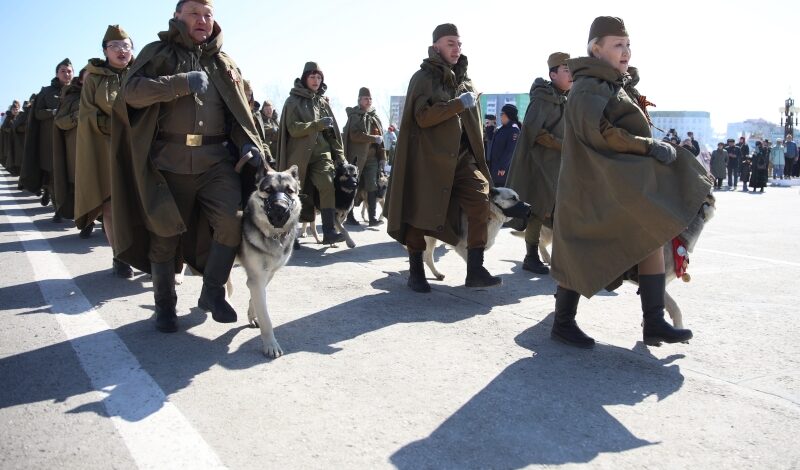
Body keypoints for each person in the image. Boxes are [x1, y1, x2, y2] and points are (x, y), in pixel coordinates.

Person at [549, 16, 711, 348]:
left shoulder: (608, 83)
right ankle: (562, 323)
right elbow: (601, 132)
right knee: (581, 250)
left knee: (649, 236)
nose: (626, 52)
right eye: (617, 45)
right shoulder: (587, 86)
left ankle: (654, 323)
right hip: (592, 185)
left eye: (628, 45)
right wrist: (648, 146)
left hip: (611, 181)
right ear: (596, 48)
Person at [110, 0, 266, 333]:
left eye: (208, 14)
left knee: (232, 222)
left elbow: (239, 114)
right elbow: (131, 94)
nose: (202, 20)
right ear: (178, 16)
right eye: (194, 13)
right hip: (168, 164)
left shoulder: (224, 63)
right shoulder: (159, 53)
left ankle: (212, 293)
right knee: (164, 235)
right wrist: (179, 83)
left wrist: (248, 143)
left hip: (216, 163)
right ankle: (165, 306)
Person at [387, 23, 501, 292]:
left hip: (462, 159)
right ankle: (416, 271)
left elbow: (471, 122)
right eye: (451, 43)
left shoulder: (466, 80)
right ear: (436, 46)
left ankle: (475, 268)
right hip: (429, 160)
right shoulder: (423, 78)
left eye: (459, 43)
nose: (457, 48)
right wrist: (459, 103)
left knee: (480, 198)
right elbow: (423, 117)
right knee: (419, 212)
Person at [75, 25, 136, 277]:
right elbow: (87, 115)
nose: (121, 51)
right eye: (115, 46)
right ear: (105, 51)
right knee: (111, 205)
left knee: (142, 203)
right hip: (108, 147)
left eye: (126, 46)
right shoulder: (94, 78)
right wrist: (118, 125)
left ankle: (154, 255)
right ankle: (119, 256)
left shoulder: (142, 72)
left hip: (141, 147)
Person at [506, 52, 572, 275]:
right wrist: (562, 144)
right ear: (553, 74)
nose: (571, 74)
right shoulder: (542, 98)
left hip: (560, 166)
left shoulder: (567, 98)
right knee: (538, 211)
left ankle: (563, 257)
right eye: (565, 70)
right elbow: (535, 132)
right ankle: (531, 256)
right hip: (541, 164)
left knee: (561, 210)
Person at [277, 61, 347, 245]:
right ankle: (290, 234)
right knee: (294, 193)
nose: (316, 81)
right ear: (305, 78)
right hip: (298, 155)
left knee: (327, 185)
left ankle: (329, 231)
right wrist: (316, 125)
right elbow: (293, 129)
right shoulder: (293, 100)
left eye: (319, 77)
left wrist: (340, 156)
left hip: (321, 154)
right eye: (312, 76)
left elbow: (332, 133)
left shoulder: (322, 101)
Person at [22, 58, 74, 217]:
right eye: (63, 71)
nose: (67, 74)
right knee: (54, 175)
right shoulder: (46, 92)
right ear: (57, 73)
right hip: (50, 142)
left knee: (71, 175)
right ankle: (58, 208)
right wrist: (51, 112)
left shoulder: (77, 90)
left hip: (71, 140)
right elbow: (36, 114)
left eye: (69, 71)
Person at [343, 87, 386, 226]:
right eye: (366, 98)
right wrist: (373, 138)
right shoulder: (355, 115)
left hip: (372, 158)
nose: (368, 101)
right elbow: (354, 135)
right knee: (353, 186)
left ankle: (372, 218)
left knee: (372, 186)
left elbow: (381, 139)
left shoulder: (374, 117)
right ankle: (349, 216)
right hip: (357, 158)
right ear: (359, 100)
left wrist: (383, 157)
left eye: (370, 99)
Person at [52, 68, 86, 224]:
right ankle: (86, 220)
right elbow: (60, 121)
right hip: (78, 149)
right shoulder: (72, 98)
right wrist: (78, 116)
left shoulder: (104, 95)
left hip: (103, 149)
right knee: (79, 186)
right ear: (81, 80)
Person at [488, 103, 520, 187]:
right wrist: (490, 126)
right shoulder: (501, 128)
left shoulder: (514, 130)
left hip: (502, 170)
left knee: (500, 193)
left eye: (502, 114)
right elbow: (491, 139)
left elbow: (510, 151)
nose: (500, 116)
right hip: (494, 166)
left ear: (508, 115)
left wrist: (502, 167)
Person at [260, 100, 279, 165]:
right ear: (263, 110)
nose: (268, 111)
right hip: (268, 144)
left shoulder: (275, 120)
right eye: (266, 109)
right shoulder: (261, 120)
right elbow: (267, 130)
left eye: (270, 109)